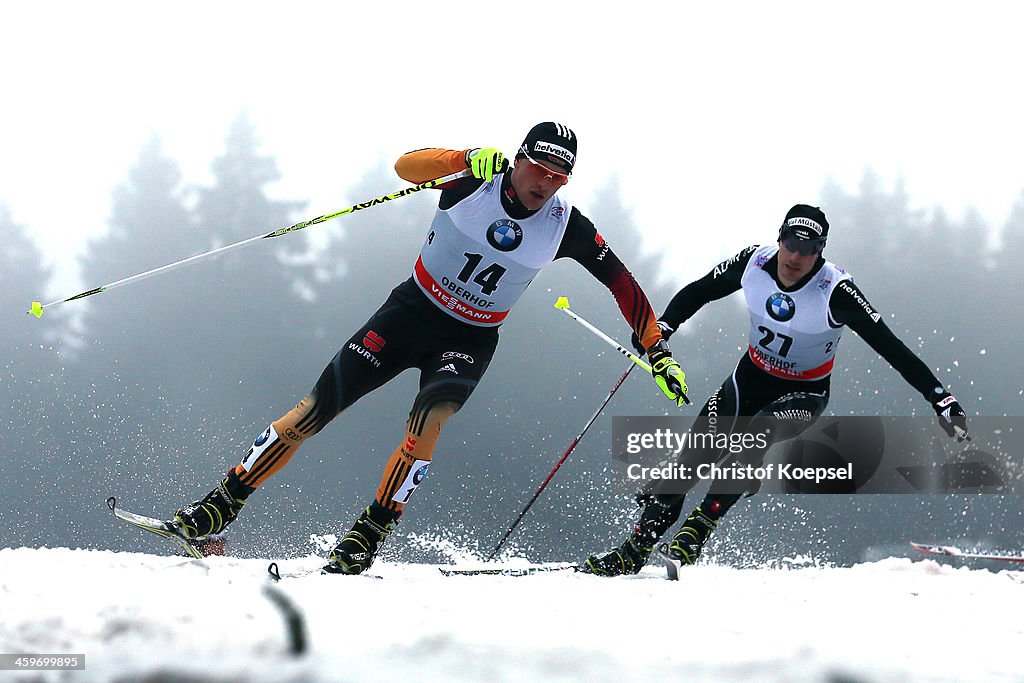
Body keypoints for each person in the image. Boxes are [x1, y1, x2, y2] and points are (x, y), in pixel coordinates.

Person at [170, 122, 688, 573]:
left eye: (560, 176)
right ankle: (220, 505)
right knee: (317, 408)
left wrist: (655, 349)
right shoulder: (474, 180)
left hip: (470, 338)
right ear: (520, 158)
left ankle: (368, 535)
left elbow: (623, 284)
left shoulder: (565, 225)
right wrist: (463, 157)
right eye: (539, 168)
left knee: (427, 424)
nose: (546, 183)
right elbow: (404, 166)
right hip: (410, 313)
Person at [582, 204, 969, 576]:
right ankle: (633, 552)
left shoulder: (837, 292)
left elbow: (892, 348)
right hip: (747, 381)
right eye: (791, 244)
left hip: (803, 395)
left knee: (755, 435)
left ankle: (698, 529)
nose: (796, 256)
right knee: (690, 462)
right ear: (779, 239)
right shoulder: (754, 262)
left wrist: (941, 399)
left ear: (820, 253)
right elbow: (700, 291)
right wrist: (664, 326)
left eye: (809, 249)